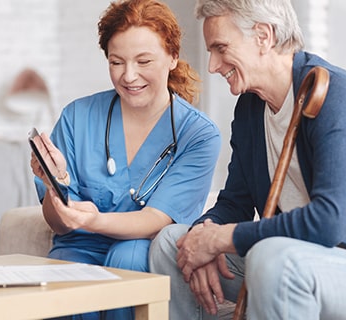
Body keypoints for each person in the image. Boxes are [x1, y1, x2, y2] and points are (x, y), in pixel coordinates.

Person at [149, 0, 346, 319]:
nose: (212, 66)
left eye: (220, 48)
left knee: (274, 257)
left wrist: (222, 238)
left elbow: (329, 222)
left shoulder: (335, 94)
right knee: (172, 243)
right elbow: (235, 202)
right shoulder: (250, 108)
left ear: (263, 36)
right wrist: (201, 238)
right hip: (284, 259)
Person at [29, 0, 221, 319]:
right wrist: (56, 185)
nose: (129, 76)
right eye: (117, 62)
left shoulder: (198, 134)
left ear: (173, 57)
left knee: (128, 256)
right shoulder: (78, 117)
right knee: (70, 272)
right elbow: (58, 222)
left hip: (143, 249)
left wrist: (91, 220)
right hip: (80, 249)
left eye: (143, 61)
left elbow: (156, 221)